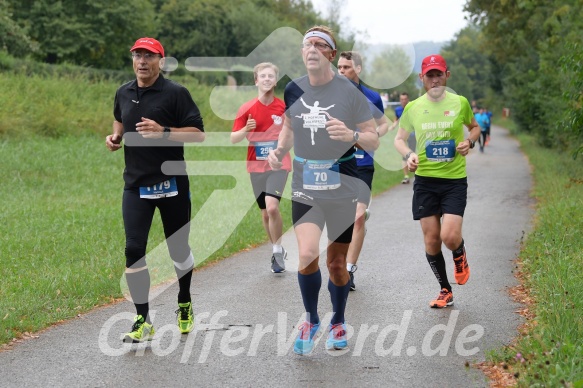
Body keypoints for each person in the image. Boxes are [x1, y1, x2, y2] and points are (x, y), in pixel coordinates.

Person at [267, 26, 379, 354]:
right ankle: (311, 317)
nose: (312, 49)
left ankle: (339, 320)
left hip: (343, 185)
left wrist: (352, 135)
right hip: (305, 185)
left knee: (336, 264)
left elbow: (373, 137)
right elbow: (288, 126)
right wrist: (279, 151)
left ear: (331, 54)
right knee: (305, 254)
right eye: (307, 44)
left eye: (320, 45)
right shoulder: (293, 89)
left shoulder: (349, 92)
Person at [105, 37, 205, 342]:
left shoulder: (176, 93)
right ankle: (143, 320)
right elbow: (119, 118)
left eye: (149, 56)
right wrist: (115, 136)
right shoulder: (124, 91)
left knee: (178, 250)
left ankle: (184, 300)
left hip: (172, 183)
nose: (142, 61)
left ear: (161, 60)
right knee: (134, 249)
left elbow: (198, 134)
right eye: (137, 55)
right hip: (135, 184)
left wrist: (163, 132)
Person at [394, 54, 480, 309]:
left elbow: (474, 127)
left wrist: (470, 141)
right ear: (422, 78)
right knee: (432, 239)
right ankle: (444, 289)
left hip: (453, 180)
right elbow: (399, 139)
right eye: (429, 75)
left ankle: (459, 253)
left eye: (438, 74)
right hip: (425, 182)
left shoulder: (460, 102)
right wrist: (408, 155)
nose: (434, 80)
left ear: (447, 76)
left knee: (450, 236)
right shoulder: (413, 107)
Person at [231, 62, 291, 273]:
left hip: (278, 163)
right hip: (255, 165)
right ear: (256, 80)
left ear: (275, 81)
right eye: (262, 76)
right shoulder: (246, 109)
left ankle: (276, 251)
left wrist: (282, 150)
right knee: (265, 213)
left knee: (273, 206)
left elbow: (292, 134)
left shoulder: (283, 108)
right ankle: (277, 249)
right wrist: (246, 129)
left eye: (270, 76)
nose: (266, 79)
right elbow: (234, 138)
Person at [337, 51, 389, 291]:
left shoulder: (371, 97)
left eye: (346, 67)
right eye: (339, 67)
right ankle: (336, 264)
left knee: (358, 218)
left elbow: (384, 123)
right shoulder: (331, 95)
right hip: (337, 164)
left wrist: (371, 137)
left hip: (363, 163)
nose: (341, 71)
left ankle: (349, 270)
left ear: (357, 69)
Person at [393, 92, 413, 183]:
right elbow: (396, 120)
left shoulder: (412, 108)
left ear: (408, 99)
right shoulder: (397, 110)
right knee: (405, 155)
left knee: (414, 154)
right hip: (403, 136)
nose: (404, 101)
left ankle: (419, 175)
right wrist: (392, 127)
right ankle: (406, 176)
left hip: (413, 135)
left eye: (405, 99)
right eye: (402, 99)